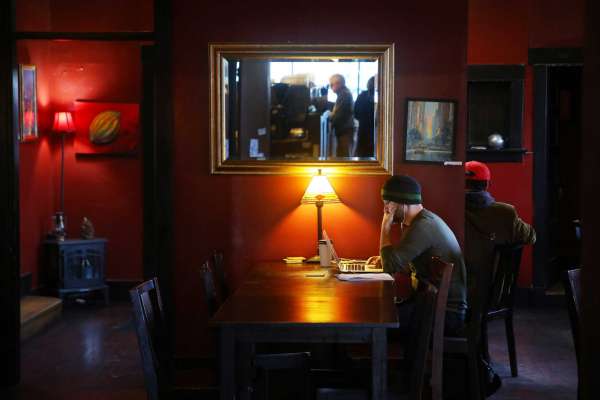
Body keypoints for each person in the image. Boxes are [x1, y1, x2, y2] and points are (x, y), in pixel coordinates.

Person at [464, 160, 536, 397]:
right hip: (494, 295)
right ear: (486, 184)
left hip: (462, 293)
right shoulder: (505, 213)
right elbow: (531, 237)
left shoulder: (450, 207)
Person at [377, 175, 468, 336]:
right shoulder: (420, 221)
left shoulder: (422, 226)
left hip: (446, 315)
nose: (385, 210)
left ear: (401, 203)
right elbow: (407, 266)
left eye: (387, 204)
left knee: (376, 323)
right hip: (432, 307)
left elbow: (389, 267)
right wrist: (385, 258)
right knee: (378, 313)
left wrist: (385, 227)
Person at [328, 74, 354, 157]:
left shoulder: (344, 95)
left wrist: (330, 121)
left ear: (338, 83)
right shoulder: (344, 93)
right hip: (345, 129)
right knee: (342, 153)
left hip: (345, 130)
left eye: (332, 84)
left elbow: (339, 114)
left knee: (343, 155)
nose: (331, 87)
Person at [353, 76, 375, 157]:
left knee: (362, 155)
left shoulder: (362, 95)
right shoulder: (383, 97)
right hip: (376, 131)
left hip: (363, 129)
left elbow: (355, 113)